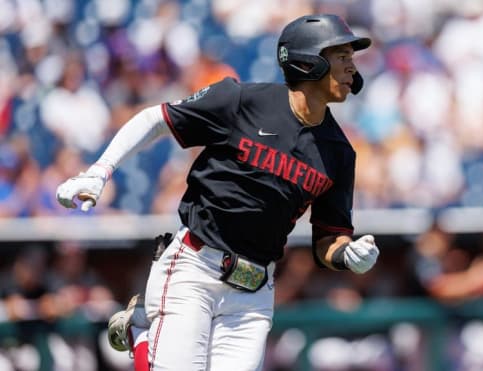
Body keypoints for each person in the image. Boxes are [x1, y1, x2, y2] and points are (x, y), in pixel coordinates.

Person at [55, 13, 380, 371]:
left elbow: (327, 241)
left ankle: (143, 332)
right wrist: (100, 171)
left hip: (254, 291)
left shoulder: (339, 152)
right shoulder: (242, 101)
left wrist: (347, 254)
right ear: (309, 61)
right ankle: (142, 333)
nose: (352, 68)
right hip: (195, 265)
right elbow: (156, 120)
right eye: (342, 56)